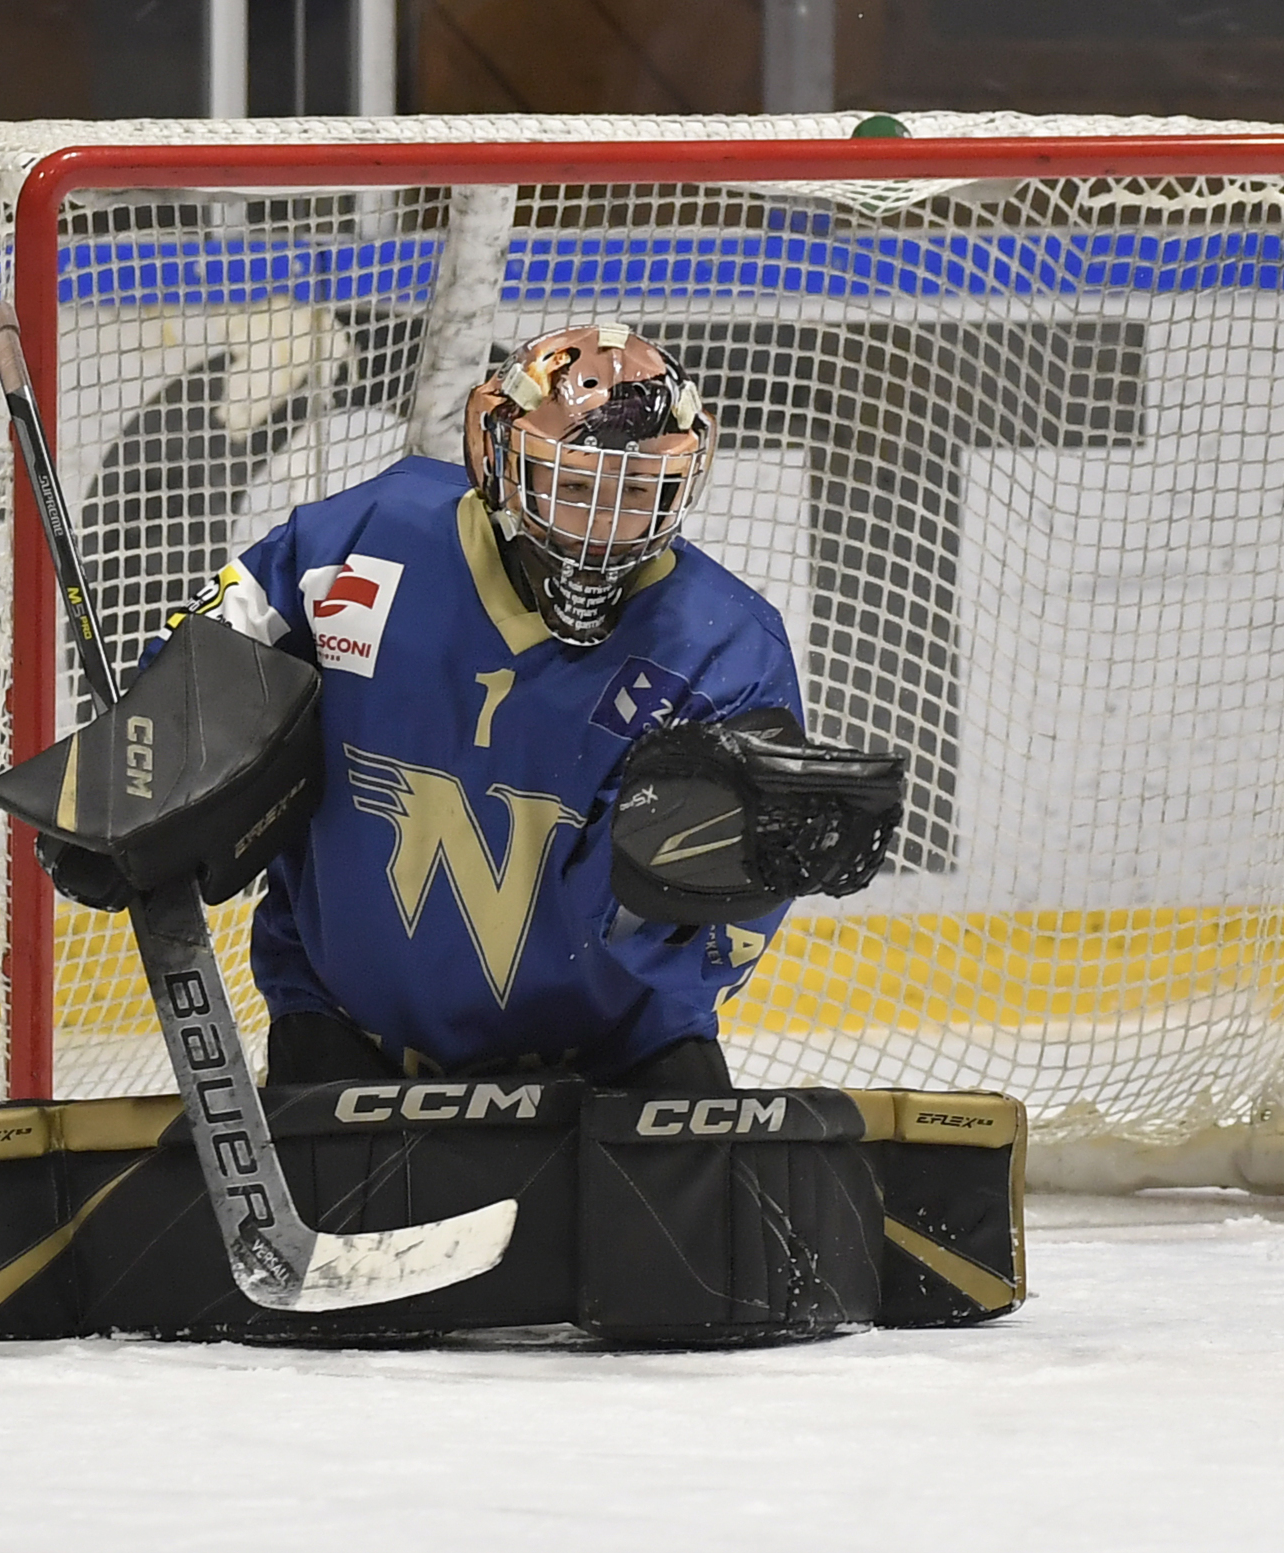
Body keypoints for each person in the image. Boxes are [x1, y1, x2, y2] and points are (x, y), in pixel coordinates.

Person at [144, 323, 803, 1091]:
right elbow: (201, 665)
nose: (601, 527)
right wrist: (143, 769)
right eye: (574, 486)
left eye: (635, 492)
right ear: (500, 463)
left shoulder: (726, 652)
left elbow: (704, 949)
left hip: (618, 1059)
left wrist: (743, 881)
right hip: (343, 1030)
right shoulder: (357, 545)